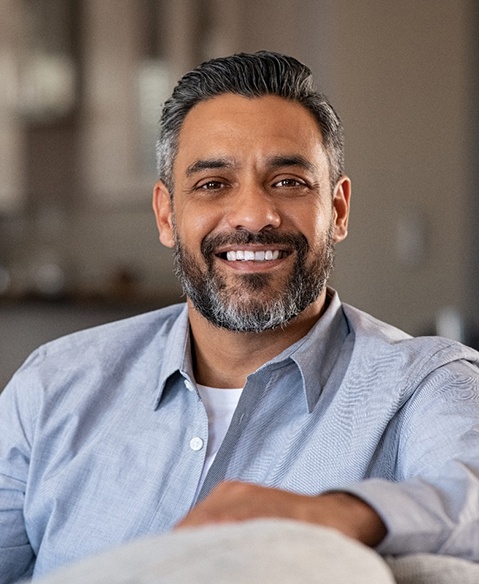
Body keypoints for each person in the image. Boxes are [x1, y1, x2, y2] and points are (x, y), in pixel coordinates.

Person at [1, 50, 479, 583]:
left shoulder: (425, 384)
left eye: (289, 181)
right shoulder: (51, 385)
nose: (254, 216)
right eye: (213, 184)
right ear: (166, 214)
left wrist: (334, 514)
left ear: (338, 211)